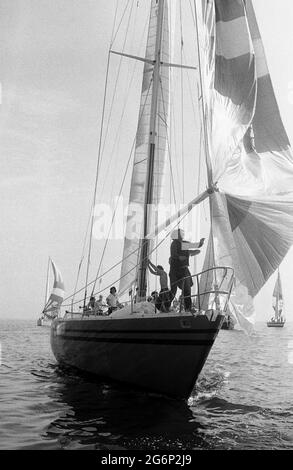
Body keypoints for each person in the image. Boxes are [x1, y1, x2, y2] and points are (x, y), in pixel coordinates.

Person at [169, 228, 205, 311]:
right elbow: (174, 254)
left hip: (184, 269)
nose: (182, 234)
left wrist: (201, 243)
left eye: (182, 233)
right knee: (173, 290)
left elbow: (195, 245)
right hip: (175, 270)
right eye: (180, 233)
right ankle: (166, 306)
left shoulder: (184, 244)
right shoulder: (175, 243)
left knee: (187, 289)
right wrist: (179, 257)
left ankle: (188, 308)